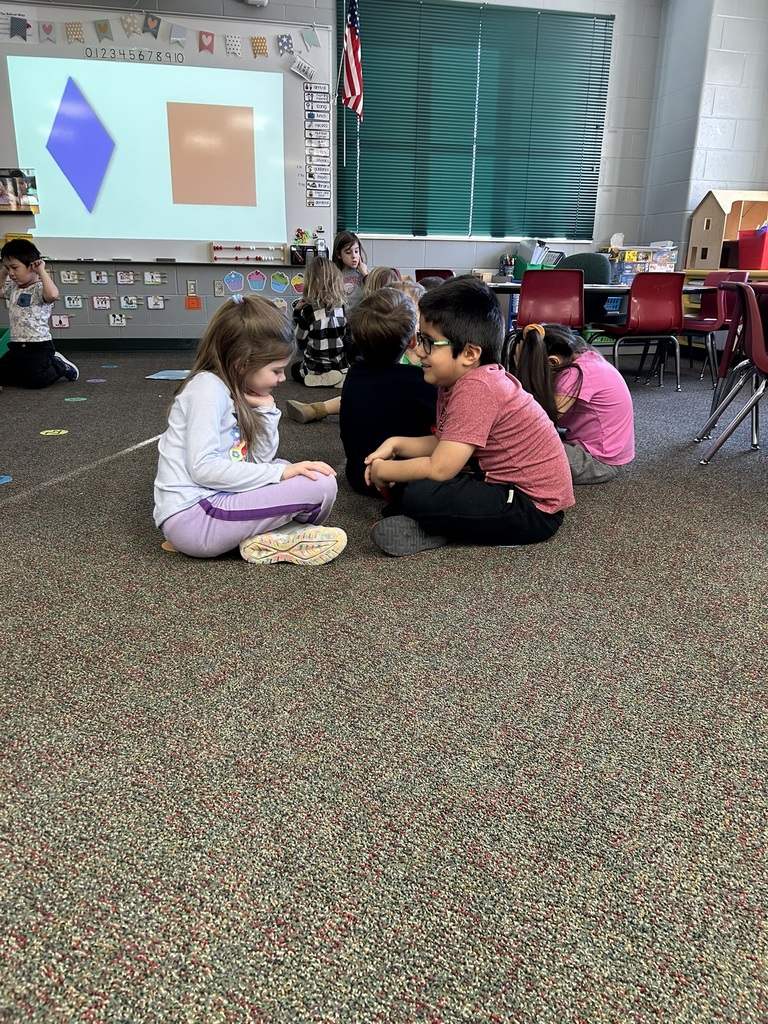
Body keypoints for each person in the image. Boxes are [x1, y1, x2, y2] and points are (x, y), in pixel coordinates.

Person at [363, 276, 575, 556]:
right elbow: (445, 441)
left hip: (534, 510)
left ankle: (437, 528)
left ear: (469, 353)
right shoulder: (456, 380)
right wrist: (395, 444)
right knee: (413, 478)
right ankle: (437, 523)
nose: (417, 350)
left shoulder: (478, 388)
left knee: (421, 494)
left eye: (428, 342)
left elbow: (441, 467)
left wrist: (383, 470)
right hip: (497, 484)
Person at [153, 295, 347, 565]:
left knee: (298, 471)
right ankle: (283, 534)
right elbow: (204, 469)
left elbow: (258, 461)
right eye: (276, 370)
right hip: (195, 517)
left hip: (216, 502)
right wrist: (279, 473)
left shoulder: (231, 389)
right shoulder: (206, 389)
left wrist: (267, 409)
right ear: (243, 363)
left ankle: (271, 535)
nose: (282, 379)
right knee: (320, 484)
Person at [284, 290, 437, 491]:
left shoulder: (354, 374)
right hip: (402, 480)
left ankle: (317, 408)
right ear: (413, 341)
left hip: (357, 477)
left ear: (355, 336)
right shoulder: (422, 382)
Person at [509, 322, 635, 484]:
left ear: (553, 362)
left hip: (598, 462)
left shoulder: (575, 374)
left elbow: (535, 422)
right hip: (595, 448)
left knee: (518, 449)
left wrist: (522, 374)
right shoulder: (587, 358)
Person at [0, 238, 79, 389]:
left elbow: (53, 295)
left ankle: (59, 364)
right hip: (16, 347)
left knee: (35, 380)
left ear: (31, 266)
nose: (11, 273)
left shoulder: (39, 289)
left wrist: (41, 270)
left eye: (14, 268)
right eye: (7, 268)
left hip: (38, 347)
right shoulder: (13, 288)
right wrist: (3, 273)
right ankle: (24, 371)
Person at [291, 256, 349, 387]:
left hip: (315, 366)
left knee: (294, 369)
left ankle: (317, 377)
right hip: (340, 365)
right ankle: (340, 377)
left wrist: (296, 312)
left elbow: (298, 341)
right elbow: (346, 338)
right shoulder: (342, 308)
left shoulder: (308, 312)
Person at [332, 230, 368, 309]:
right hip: (342, 319)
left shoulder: (363, 274)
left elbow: (375, 292)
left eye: (356, 251)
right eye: (348, 252)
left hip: (360, 318)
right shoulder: (334, 274)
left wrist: (365, 274)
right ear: (338, 254)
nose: (354, 256)